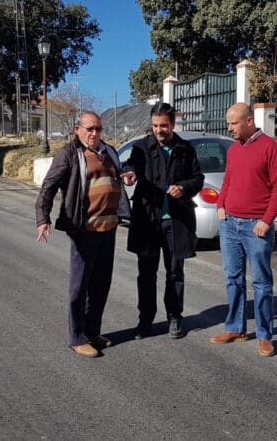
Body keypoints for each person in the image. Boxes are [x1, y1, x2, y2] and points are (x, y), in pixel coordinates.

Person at [35, 111, 131, 358]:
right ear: (78, 129)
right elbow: (49, 186)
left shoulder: (109, 151)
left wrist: (127, 173)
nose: (94, 133)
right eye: (90, 129)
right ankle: (76, 337)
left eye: (98, 129)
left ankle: (92, 332)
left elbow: (122, 170)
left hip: (108, 229)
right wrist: (43, 219)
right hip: (84, 230)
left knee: (101, 285)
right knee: (79, 286)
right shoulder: (68, 153)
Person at [209, 103, 277, 357]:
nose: (229, 128)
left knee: (261, 283)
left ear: (249, 121)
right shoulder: (234, 149)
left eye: (233, 123)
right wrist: (221, 205)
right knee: (233, 278)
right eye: (228, 123)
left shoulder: (271, 148)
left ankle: (264, 336)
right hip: (230, 224)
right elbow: (228, 179)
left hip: (256, 226)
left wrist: (266, 220)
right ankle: (235, 328)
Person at [120, 102, 204, 339]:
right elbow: (131, 163)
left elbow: (198, 178)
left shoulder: (185, 148)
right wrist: (129, 173)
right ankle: (145, 320)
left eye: (164, 126)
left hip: (176, 221)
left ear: (173, 124)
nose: (159, 130)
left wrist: (183, 188)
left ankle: (175, 317)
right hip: (148, 221)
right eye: (155, 125)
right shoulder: (141, 146)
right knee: (146, 274)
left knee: (175, 272)